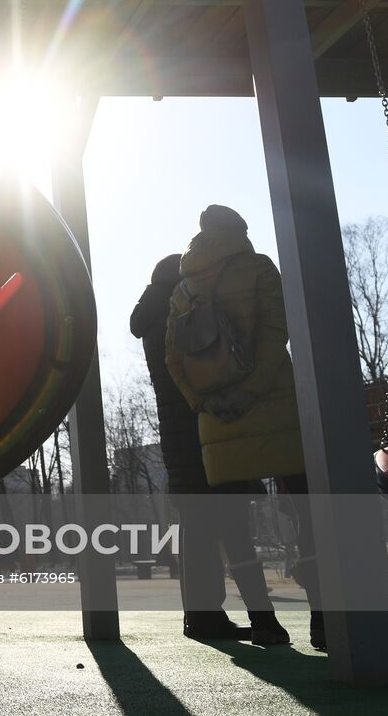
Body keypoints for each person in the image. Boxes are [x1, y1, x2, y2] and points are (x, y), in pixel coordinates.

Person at [165, 205, 325, 651]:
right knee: (308, 513)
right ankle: (325, 619)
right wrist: (253, 390)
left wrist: (204, 401)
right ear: (240, 233)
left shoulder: (184, 287)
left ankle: (263, 622)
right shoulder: (258, 268)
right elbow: (277, 333)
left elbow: (174, 359)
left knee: (233, 524)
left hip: (218, 421)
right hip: (275, 408)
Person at [132, 253, 281, 644]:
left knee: (197, 534)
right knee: (234, 530)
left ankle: (203, 616)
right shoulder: (184, 315)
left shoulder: (152, 320)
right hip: (207, 434)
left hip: (178, 444)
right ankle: (260, 619)